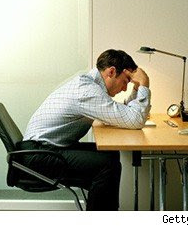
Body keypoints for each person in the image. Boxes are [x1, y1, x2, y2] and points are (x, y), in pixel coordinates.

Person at [19, 49, 151, 210]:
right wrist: (144, 84)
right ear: (111, 72)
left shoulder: (89, 84)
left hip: (44, 148)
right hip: (38, 155)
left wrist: (136, 91)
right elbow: (134, 120)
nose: (125, 89)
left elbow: (120, 115)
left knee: (111, 154)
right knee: (107, 165)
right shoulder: (87, 90)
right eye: (126, 81)